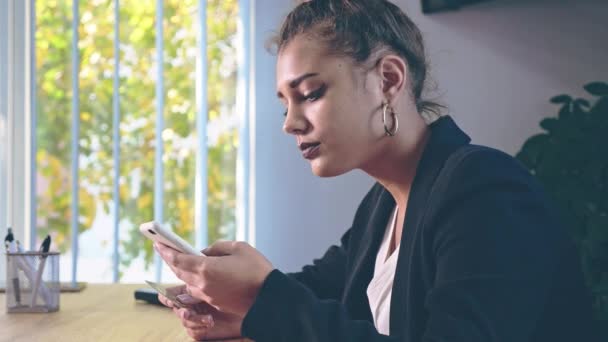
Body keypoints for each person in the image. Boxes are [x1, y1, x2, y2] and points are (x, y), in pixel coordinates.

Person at [155, 0, 599, 341]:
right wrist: (232, 307)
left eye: (309, 93)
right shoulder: (385, 204)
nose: (290, 123)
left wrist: (262, 297)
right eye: (285, 103)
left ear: (388, 79)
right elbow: (316, 291)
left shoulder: (486, 192)